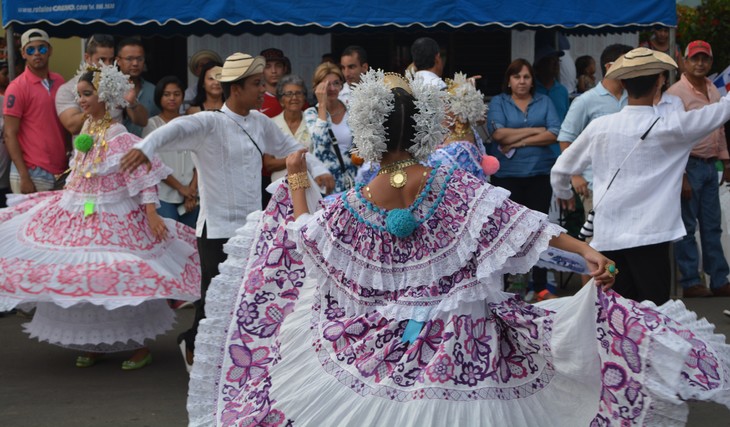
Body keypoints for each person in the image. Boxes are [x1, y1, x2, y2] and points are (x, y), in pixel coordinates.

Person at [188, 69, 730, 427]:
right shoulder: (451, 183)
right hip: (465, 340)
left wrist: (297, 180)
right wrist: (585, 252)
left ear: (371, 134)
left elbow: (305, 236)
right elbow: (520, 226)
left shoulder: (359, 198)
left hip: (388, 342)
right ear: (422, 128)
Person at [120, 52, 335, 372]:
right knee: (214, 300)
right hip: (216, 229)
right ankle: (191, 344)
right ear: (236, 89)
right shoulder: (209, 122)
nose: (263, 90)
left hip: (251, 227)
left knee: (247, 296)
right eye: (256, 85)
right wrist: (144, 147)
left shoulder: (261, 122)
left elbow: (292, 148)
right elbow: (174, 131)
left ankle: (235, 359)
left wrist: (318, 170)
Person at [0, 63, 200, 369]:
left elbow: (143, 174)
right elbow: (81, 169)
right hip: (81, 210)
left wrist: (151, 213)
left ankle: (139, 346)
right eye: (79, 95)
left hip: (114, 213)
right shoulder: (87, 128)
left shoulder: (118, 134)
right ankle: (95, 343)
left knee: (122, 278)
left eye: (87, 94)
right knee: (86, 278)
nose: (81, 100)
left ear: (105, 96)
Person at [552, 47, 730, 305]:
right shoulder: (672, 126)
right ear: (660, 81)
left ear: (623, 83)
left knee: (616, 313)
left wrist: (564, 194)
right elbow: (722, 110)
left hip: (608, 237)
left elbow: (560, 169)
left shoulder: (601, 127)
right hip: (652, 237)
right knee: (652, 313)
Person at [486, 58, 561, 301]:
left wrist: (518, 140)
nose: (521, 81)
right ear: (509, 80)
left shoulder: (544, 101)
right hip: (508, 177)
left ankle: (539, 286)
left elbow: (555, 132)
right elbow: (497, 134)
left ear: (532, 81)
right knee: (507, 232)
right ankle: (508, 287)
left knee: (538, 231)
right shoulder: (499, 102)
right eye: (517, 77)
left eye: (526, 77)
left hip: (539, 175)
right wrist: (537, 130)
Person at [557, 44, 633, 285]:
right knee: (596, 247)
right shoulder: (586, 101)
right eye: (628, 62)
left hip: (630, 187)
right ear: (610, 67)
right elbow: (565, 140)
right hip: (594, 186)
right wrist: (575, 175)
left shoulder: (635, 98)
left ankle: (620, 307)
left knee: (625, 248)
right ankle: (593, 305)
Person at [666, 40, 730, 298]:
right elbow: (674, 138)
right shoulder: (676, 93)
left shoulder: (714, 91)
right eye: (695, 58)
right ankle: (691, 281)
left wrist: (725, 161)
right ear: (685, 61)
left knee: (713, 225)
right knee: (688, 227)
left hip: (709, 163)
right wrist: (680, 176)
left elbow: (720, 129)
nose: (700, 63)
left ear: (710, 62)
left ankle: (718, 279)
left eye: (705, 59)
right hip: (689, 164)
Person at [4, 28, 68, 195]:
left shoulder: (60, 81)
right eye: (31, 50)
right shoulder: (17, 87)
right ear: (23, 54)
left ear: (50, 51)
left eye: (42, 48)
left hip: (59, 171)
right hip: (32, 173)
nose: (37, 53)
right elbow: (9, 134)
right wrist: (24, 176)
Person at [142, 76, 199, 228]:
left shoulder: (191, 124)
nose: (172, 98)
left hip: (191, 195)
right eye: (167, 94)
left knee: (191, 240)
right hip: (164, 193)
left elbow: (200, 158)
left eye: (176, 94)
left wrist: (192, 190)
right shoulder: (152, 125)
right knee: (169, 238)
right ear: (159, 97)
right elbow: (153, 163)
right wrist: (182, 188)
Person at [304, 62, 357, 193]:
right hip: (326, 185)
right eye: (327, 84)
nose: (332, 88)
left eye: (336, 83)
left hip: (353, 181)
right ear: (317, 87)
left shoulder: (352, 110)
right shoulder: (311, 113)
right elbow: (320, 144)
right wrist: (322, 104)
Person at [56, 34, 116, 136]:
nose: (107, 65)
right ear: (87, 58)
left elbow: (141, 122)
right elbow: (72, 126)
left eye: (111, 60)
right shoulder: (67, 89)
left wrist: (132, 104)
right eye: (101, 60)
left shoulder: (118, 85)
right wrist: (95, 105)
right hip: (88, 149)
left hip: (120, 148)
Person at [266, 74, 311, 181]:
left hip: (310, 186)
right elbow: (268, 164)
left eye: (298, 93)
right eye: (289, 94)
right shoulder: (271, 124)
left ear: (304, 97)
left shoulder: (313, 122)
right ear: (281, 100)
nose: (294, 98)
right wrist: (294, 159)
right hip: (281, 189)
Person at [116, 38, 157, 136]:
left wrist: (132, 103)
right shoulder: (108, 89)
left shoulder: (153, 90)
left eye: (140, 59)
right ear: (118, 61)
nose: (135, 63)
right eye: (129, 59)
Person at [259, 48, 289, 118]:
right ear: (261, 71)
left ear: (284, 69)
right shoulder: (255, 99)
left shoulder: (296, 98)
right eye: (268, 66)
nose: (273, 71)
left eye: (278, 66)